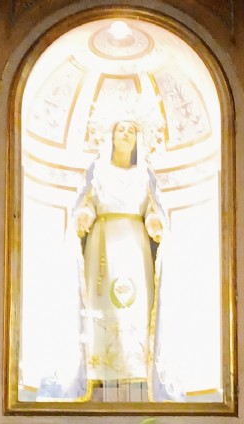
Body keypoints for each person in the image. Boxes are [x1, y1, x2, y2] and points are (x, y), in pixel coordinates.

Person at [74, 120, 166, 387]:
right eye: (120, 129)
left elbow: (152, 207)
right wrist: (84, 214)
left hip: (134, 246)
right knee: (101, 304)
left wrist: (153, 221)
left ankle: (135, 369)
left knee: (134, 305)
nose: (125, 134)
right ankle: (100, 372)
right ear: (110, 136)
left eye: (131, 130)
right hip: (103, 244)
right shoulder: (98, 171)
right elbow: (88, 202)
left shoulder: (144, 174)